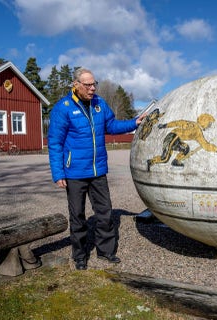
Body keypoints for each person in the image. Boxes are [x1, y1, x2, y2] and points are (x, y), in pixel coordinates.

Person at [48, 68, 145, 270]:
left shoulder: (99, 104)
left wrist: (133, 123)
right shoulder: (63, 108)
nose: (92, 88)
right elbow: (55, 143)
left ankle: (106, 252)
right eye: (88, 85)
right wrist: (58, 173)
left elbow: (111, 125)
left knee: (105, 213)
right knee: (78, 217)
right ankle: (80, 256)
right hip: (74, 173)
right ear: (76, 85)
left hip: (98, 170)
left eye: (94, 84)